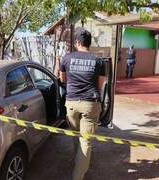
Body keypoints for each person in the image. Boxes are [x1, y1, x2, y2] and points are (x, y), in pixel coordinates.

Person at [59, 27, 105, 180]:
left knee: (75, 136)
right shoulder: (98, 60)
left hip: (71, 103)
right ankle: (78, 174)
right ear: (89, 43)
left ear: (77, 42)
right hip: (90, 103)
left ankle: (79, 162)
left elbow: (63, 80)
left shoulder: (66, 58)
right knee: (86, 141)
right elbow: (100, 85)